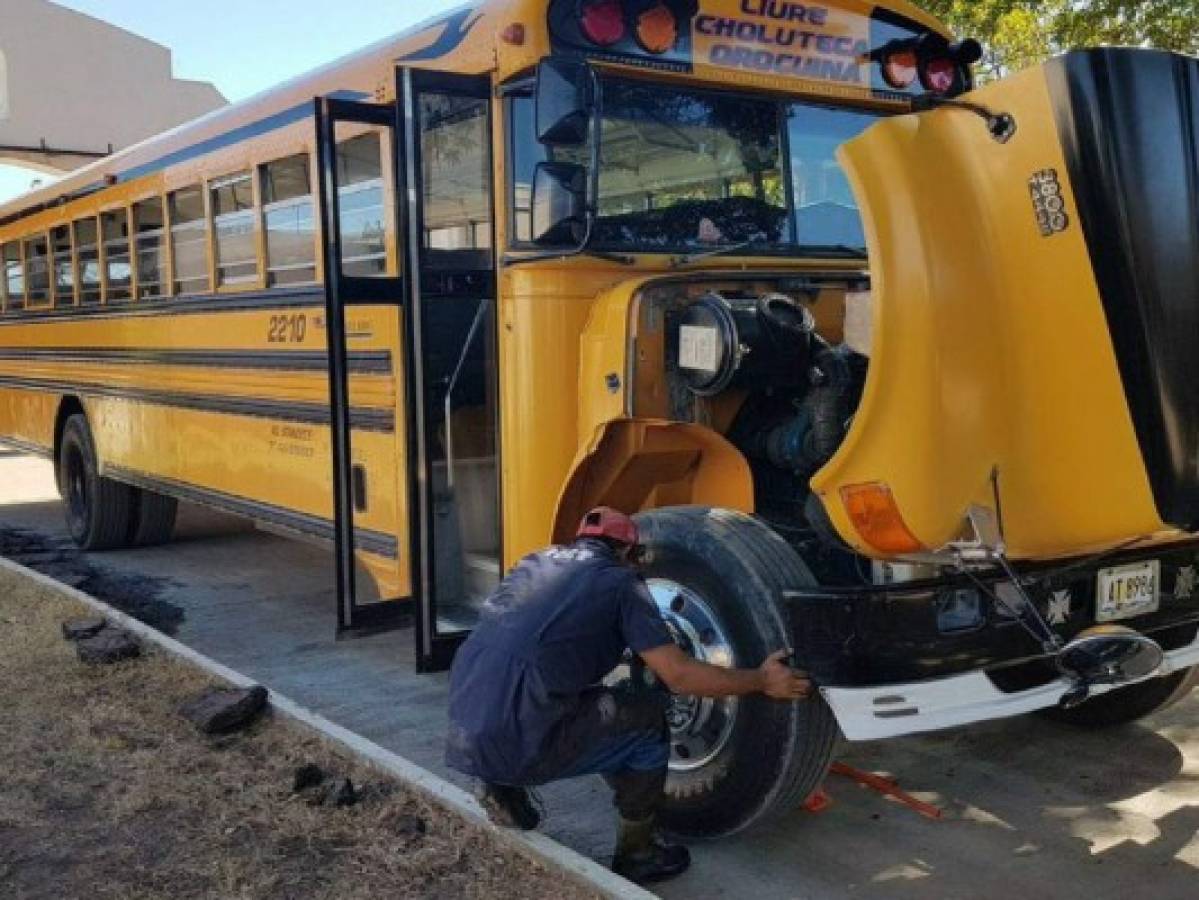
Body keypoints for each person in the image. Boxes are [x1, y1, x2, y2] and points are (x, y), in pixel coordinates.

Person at [445, 507, 812, 885]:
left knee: (552, 692)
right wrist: (762, 680)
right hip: (519, 737)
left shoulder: (534, 563)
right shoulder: (620, 582)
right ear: (625, 551)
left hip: (464, 725)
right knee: (648, 721)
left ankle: (499, 785)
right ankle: (638, 853)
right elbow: (679, 676)